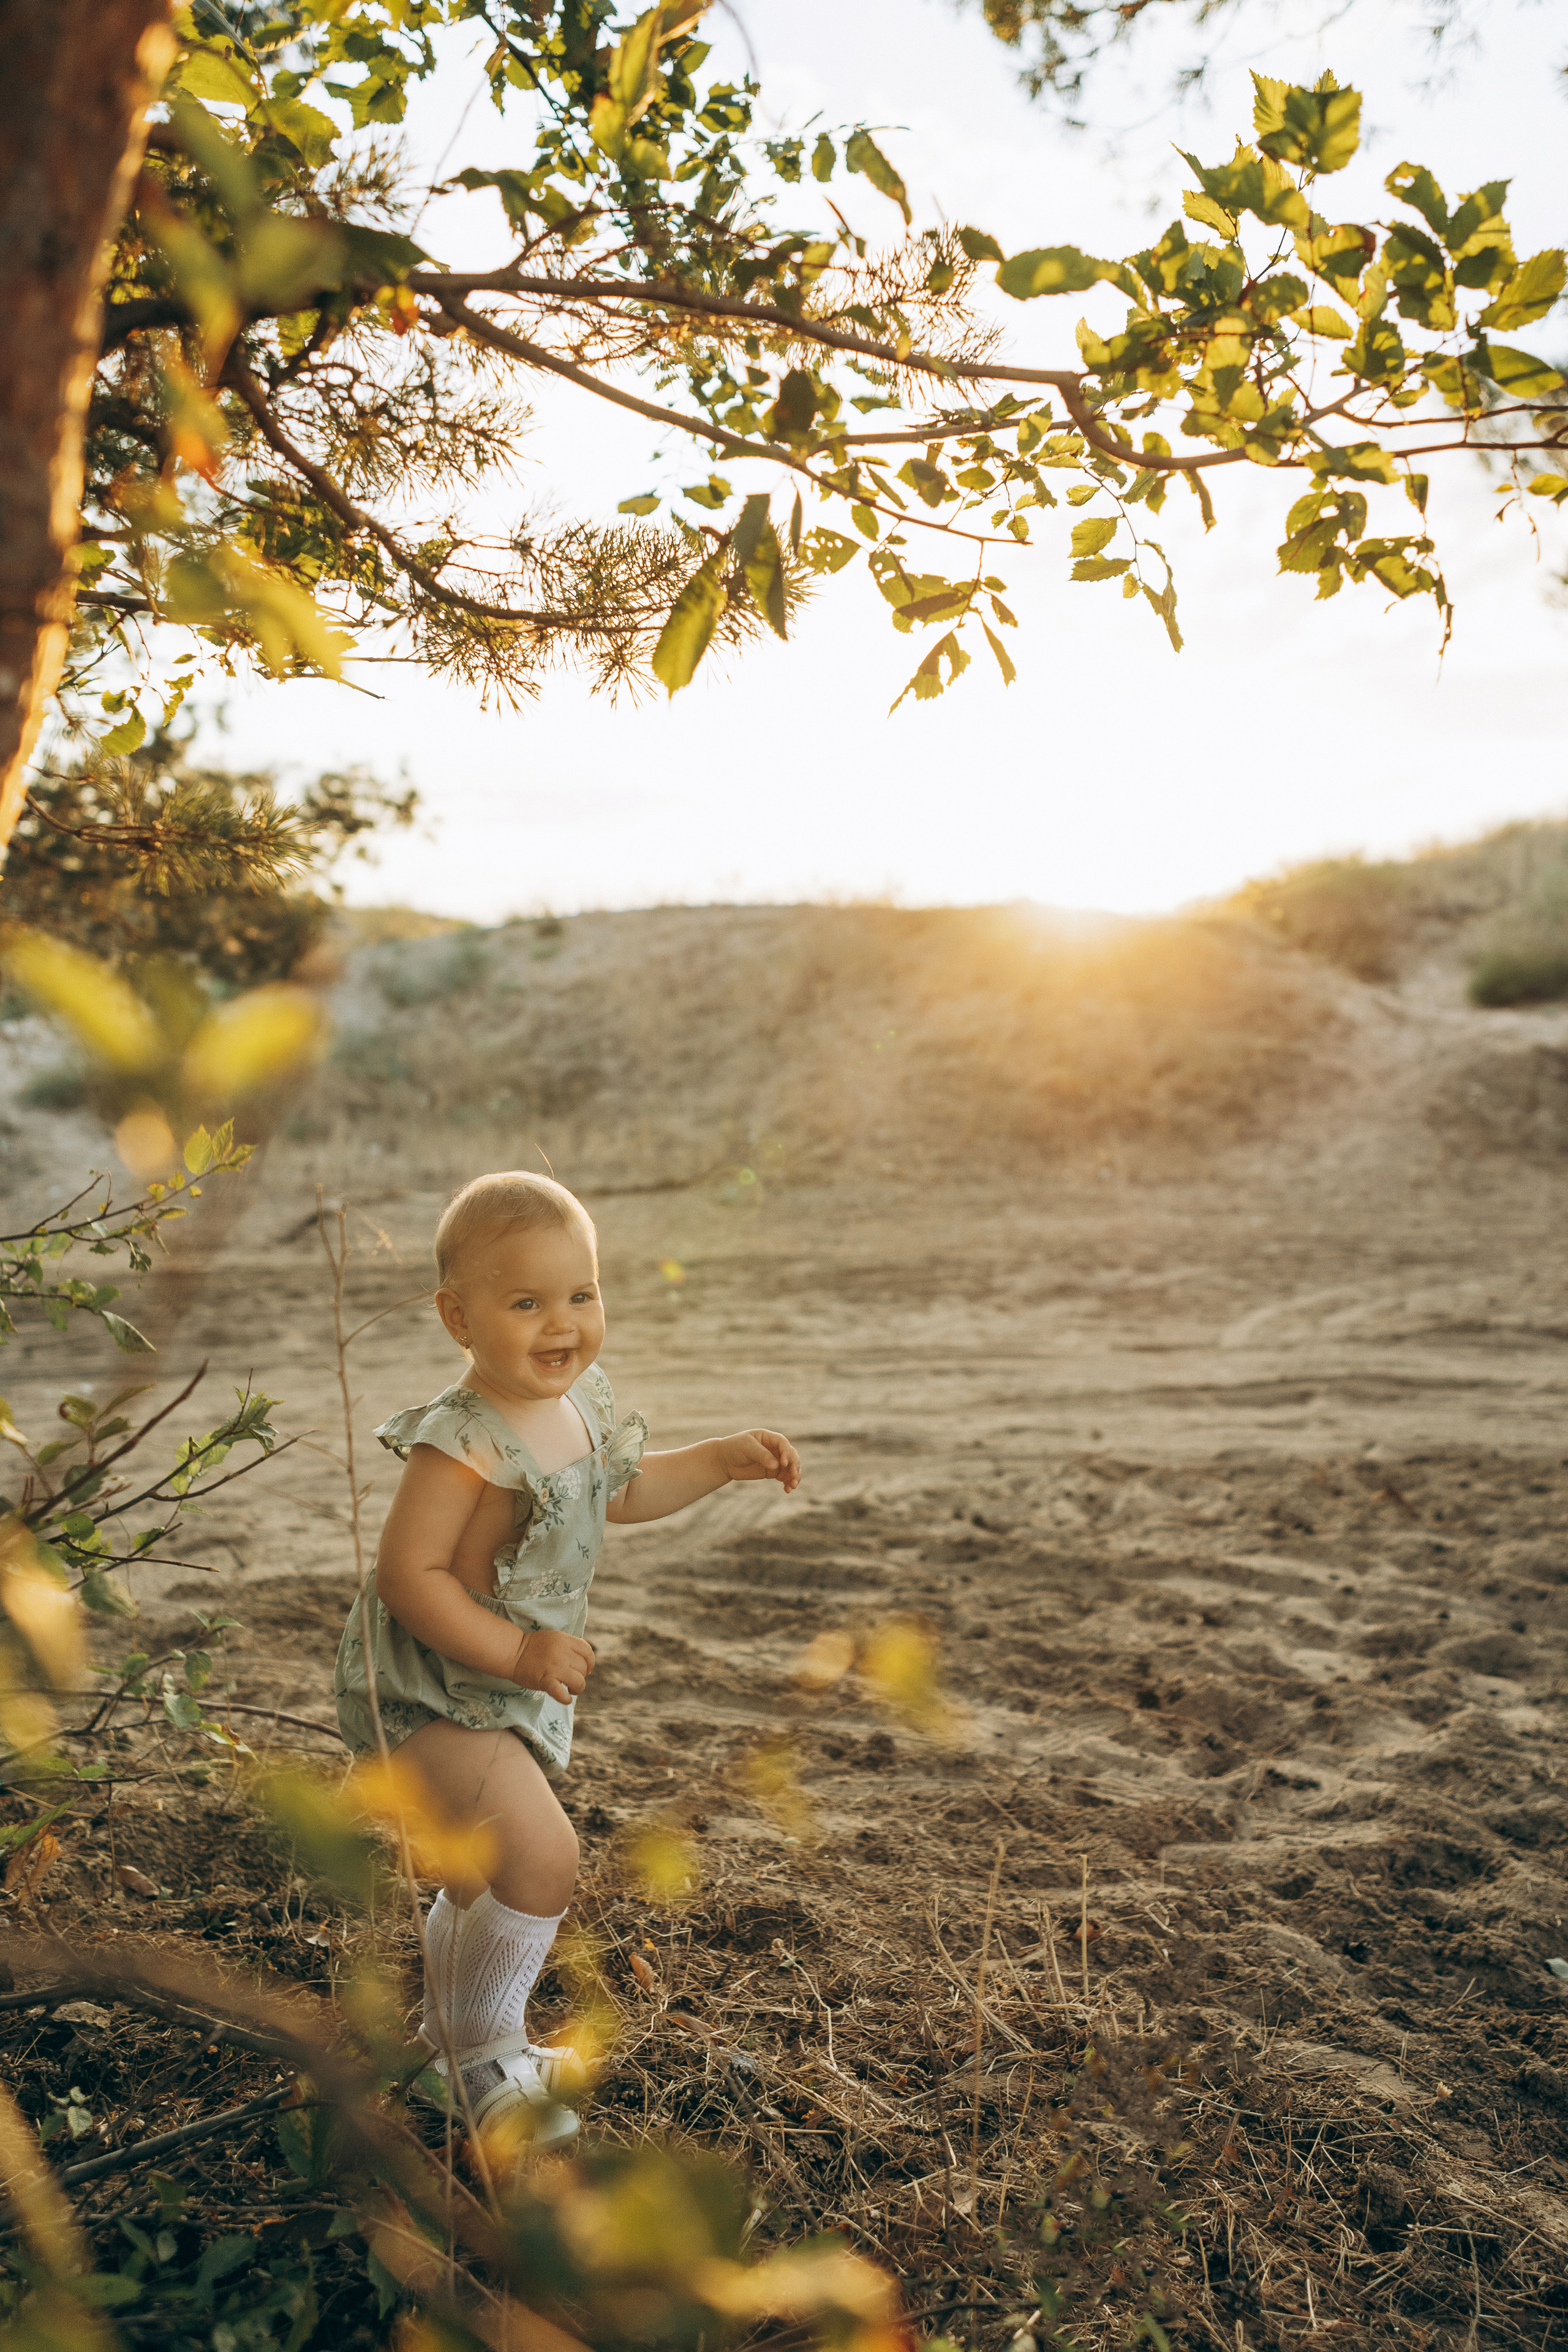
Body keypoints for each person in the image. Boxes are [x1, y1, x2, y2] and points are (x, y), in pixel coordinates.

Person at [334, 1170, 801, 2146]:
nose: (564, 1324)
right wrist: (518, 1649)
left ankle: (450, 2045)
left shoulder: (581, 1402)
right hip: (431, 1686)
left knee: (481, 1872)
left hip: (499, 1683)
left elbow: (616, 1495)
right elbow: (408, 1579)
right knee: (541, 1857)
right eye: (526, 1303)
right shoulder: (459, 1442)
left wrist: (717, 1459)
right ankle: (481, 2056)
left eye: (582, 1295)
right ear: (459, 1318)